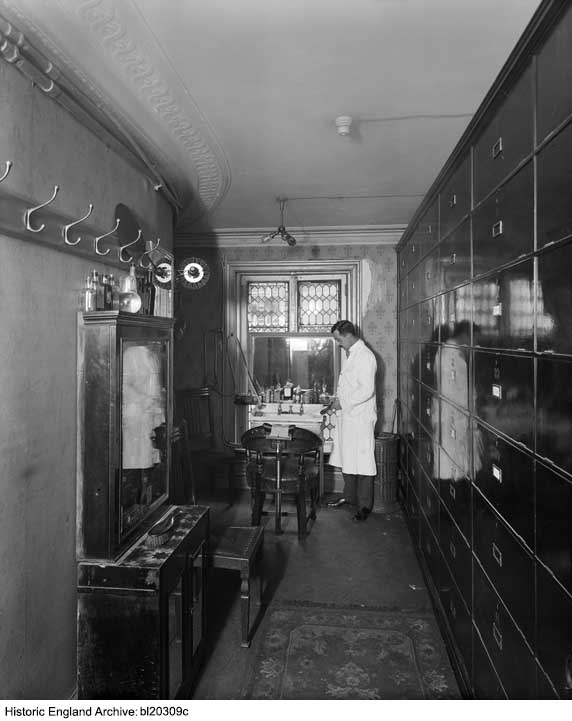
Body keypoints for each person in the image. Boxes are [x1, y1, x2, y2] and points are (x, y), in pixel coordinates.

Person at [327, 320, 377, 521]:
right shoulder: (353, 354)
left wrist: (343, 403)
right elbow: (350, 384)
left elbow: (367, 390)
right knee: (348, 458)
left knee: (363, 462)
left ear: (348, 335)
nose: (338, 343)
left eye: (338, 339)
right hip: (349, 416)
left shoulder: (365, 356)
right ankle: (349, 498)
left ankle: (364, 506)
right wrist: (339, 401)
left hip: (361, 419)